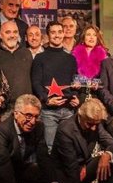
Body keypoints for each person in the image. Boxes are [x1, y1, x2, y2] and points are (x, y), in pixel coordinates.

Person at [52, 98, 113, 183]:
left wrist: (107, 155)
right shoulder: (65, 130)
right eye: (90, 124)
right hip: (65, 173)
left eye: (96, 124)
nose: (93, 128)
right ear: (80, 116)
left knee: (110, 159)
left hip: (82, 165)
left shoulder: (94, 123)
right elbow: (71, 166)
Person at [31, 21, 79, 150]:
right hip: (48, 112)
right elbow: (36, 83)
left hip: (68, 111)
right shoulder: (39, 58)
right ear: (48, 35)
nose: (57, 35)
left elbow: (75, 81)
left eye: (59, 32)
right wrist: (47, 99)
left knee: (68, 148)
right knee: (50, 148)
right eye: (53, 32)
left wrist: (75, 96)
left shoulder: (71, 59)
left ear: (63, 34)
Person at [0, 20, 33, 107]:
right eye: (8, 32)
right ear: (0, 35)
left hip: (26, 106)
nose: (12, 35)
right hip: (3, 107)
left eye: (15, 32)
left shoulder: (26, 52)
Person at [71, 24, 108, 103]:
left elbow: (106, 79)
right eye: (88, 35)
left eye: (94, 35)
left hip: (98, 97)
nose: (91, 37)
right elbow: (70, 76)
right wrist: (75, 82)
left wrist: (97, 83)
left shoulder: (105, 56)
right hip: (79, 96)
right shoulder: (73, 55)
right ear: (83, 37)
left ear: (97, 38)